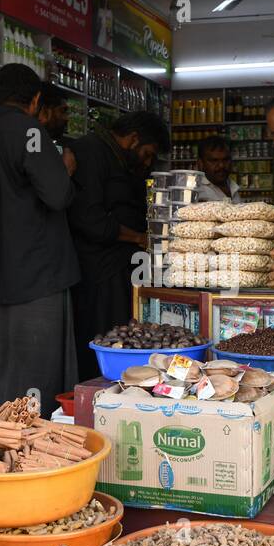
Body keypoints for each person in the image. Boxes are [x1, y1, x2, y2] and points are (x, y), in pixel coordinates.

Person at [0, 64, 80, 415]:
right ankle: (34, 447)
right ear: (35, 100)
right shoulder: (29, 132)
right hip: (37, 277)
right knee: (40, 369)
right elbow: (57, 195)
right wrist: (65, 169)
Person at [67, 111, 171, 382]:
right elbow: (90, 219)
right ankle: (97, 397)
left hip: (120, 269)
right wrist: (138, 238)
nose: (147, 163)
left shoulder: (118, 159)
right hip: (98, 273)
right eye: (147, 154)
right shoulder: (91, 152)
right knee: (101, 340)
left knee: (121, 338)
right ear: (133, 139)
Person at [193, 134, 242, 204]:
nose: (221, 166)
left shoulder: (233, 186)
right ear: (200, 163)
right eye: (214, 161)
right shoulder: (196, 191)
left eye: (226, 160)